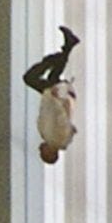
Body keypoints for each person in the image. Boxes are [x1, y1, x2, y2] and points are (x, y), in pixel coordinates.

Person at [23, 26, 81, 164]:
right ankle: (60, 53)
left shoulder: (49, 137)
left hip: (53, 97)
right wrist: (56, 98)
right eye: (42, 153)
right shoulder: (57, 138)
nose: (40, 150)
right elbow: (62, 118)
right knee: (31, 78)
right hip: (56, 97)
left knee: (53, 76)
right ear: (50, 153)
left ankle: (66, 48)